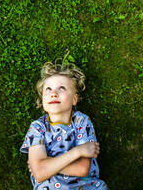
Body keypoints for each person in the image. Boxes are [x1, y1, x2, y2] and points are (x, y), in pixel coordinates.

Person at [20, 59, 108, 189]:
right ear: (42, 99)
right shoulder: (37, 127)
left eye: (61, 88)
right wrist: (77, 152)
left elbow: (82, 169)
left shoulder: (82, 122)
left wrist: (47, 164)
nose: (54, 94)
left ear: (74, 99)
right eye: (48, 89)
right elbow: (39, 173)